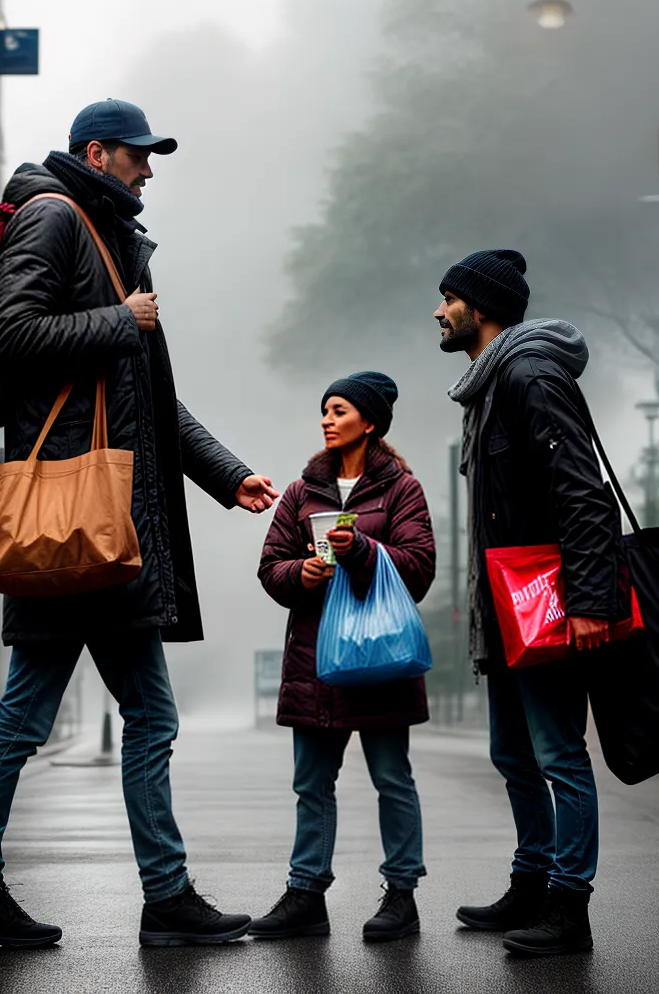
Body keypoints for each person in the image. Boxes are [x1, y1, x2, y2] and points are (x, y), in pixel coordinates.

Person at [0, 100, 280, 950]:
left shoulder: (110, 236)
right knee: (36, 716)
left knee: (118, 716)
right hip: (76, 513)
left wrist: (227, 475)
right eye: (138, 155)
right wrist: (117, 319)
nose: (149, 169)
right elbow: (10, 333)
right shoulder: (55, 221)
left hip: (108, 521)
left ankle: (144, 896)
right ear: (97, 152)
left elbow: (150, 395)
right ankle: (4, 887)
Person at [435, 250, 623, 957]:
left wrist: (590, 599)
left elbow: (581, 488)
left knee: (558, 756)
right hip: (508, 606)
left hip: (548, 601)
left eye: (447, 298)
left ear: (479, 309)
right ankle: (531, 881)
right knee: (512, 753)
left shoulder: (528, 373)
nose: (437, 311)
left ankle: (568, 907)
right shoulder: (488, 383)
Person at [253, 372, 435, 943]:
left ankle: (401, 897)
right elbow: (270, 567)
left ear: (370, 421)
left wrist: (362, 551)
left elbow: (419, 568)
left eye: (339, 410)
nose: (327, 420)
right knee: (311, 782)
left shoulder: (401, 489)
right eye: (324, 411)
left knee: (392, 778)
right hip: (316, 660)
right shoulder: (301, 491)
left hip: (379, 658)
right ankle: (306, 895)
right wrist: (299, 574)